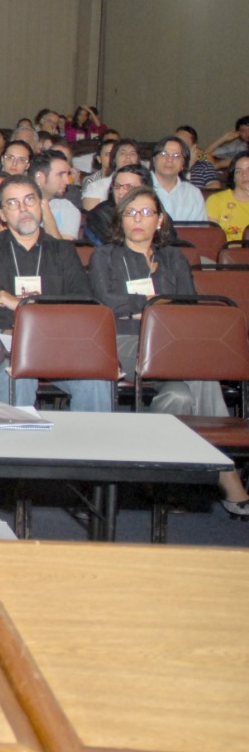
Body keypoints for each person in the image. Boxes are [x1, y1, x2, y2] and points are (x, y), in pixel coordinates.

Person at [87, 185, 249, 517]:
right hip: (125, 342)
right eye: (131, 212)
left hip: (173, 343)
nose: (139, 219)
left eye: (147, 212)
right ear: (120, 219)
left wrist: (143, 309)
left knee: (179, 396)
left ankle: (157, 474)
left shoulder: (174, 257)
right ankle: (226, 472)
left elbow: (188, 305)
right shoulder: (105, 256)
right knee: (198, 369)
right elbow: (107, 302)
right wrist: (157, 304)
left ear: (160, 220)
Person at [0, 175, 112, 412]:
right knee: (17, 375)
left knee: (96, 381)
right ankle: (14, 446)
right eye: (13, 203)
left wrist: (20, 305)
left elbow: (81, 302)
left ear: (41, 204)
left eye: (29, 200)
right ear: (1, 213)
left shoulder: (63, 251)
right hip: (9, 343)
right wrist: (40, 315)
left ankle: (90, 447)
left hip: (60, 342)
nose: (23, 209)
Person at [83, 164, 152, 247]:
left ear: (145, 189)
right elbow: (111, 251)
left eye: (128, 187)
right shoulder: (99, 216)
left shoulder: (154, 213)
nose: (121, 192)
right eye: (117, 186)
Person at [150, 134, 208, 222]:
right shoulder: (139, 186)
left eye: (176, 156)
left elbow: (198, 231)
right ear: (154, 160)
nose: (169, 159)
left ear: (183, 165)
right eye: (164, 154)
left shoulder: (193, 193)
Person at [207, 153, 249, 243]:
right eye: (238, 171)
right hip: (227, 253)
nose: (244, 174)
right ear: (233, 177)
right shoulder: (216, 200)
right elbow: (213, 241)